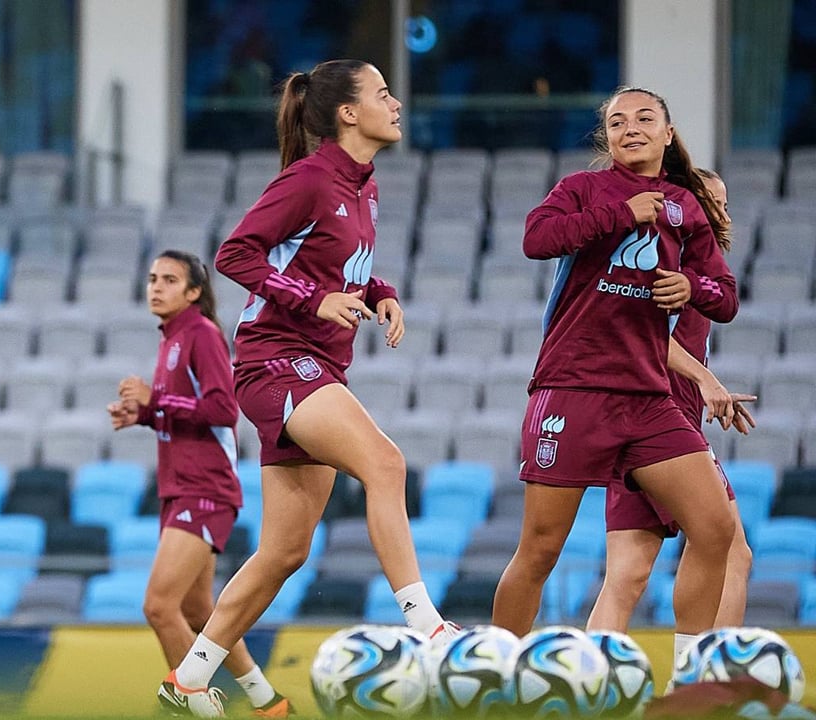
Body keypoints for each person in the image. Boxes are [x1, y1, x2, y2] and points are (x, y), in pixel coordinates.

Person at [158, 59, 457, 718]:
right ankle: (428, 627)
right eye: (383, 94)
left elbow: (339, 264)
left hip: (316, 363)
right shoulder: (310, 179)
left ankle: (189, 681)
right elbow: (236, 254)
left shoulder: (364, 186)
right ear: (348, 113)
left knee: (284, 552)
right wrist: (314, 300)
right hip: (276, 361)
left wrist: (380, 291)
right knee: (386, 464)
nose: (396, 104)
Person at [490, 87, 739, 654]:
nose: (631, 129)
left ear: (668, 134)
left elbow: (724, 296)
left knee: (716, 528)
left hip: (649, 399)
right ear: (607, 137)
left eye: (645, 119)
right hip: (573, 388)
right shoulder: (583, 189)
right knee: (541, 548)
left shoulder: (686, 206)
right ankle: (491, 670)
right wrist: (622, 214)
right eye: (618, 121)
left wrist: (690, 286)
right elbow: (536, 240)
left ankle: (688, 676)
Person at [109, 250, 290, 718]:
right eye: (152, 278)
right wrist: (143, 415)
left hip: (203, 488)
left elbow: (223, 409)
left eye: (169, 280)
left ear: (194, 292)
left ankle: (195, 705)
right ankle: (268, 703)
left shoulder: (202, 334)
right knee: (197, 612)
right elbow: (188, 413)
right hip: (180, 488)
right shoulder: (172, 338)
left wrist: (156, 399)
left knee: (158, 607)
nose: (156, 286)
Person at [587, 168, 755, 636]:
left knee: (626, 575)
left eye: (724, 205)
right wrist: (706, 380)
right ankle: (710, 668)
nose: (723, 215)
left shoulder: (693, 270)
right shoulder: (668, 264)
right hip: (664, 425)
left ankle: (588, 672)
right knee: (731, 550)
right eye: (712, 204)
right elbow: (638, 335)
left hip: (632, 423)